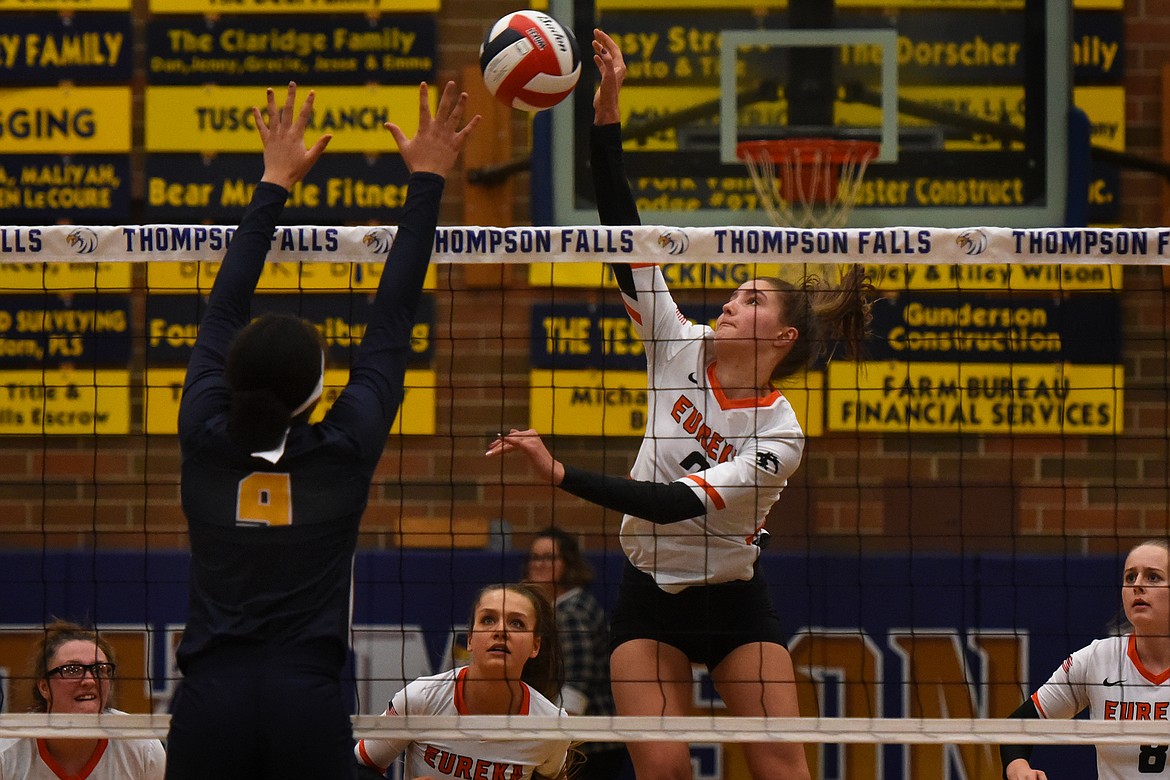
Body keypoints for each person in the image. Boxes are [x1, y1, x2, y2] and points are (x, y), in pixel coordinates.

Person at [486, 29, 874, 780]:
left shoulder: (781, 432)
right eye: (734, 292)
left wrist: (560, 473)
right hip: (647, 597)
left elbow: (671, 504)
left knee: (783, 770)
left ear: (783, 335)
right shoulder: (677, 342)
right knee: (663, 768)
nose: (731, 300)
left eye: (751, 298)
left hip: (732, 603)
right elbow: (623, 230)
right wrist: (606, 112)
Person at [164, 81, 479, 780]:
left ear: (234, 377)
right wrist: (427, 179)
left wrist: (273, 181)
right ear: (315, 394)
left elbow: (222, 308)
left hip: (210, 699)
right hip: (305, 701)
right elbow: (392, 320)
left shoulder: (202, 435)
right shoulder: (341, 452)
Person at [355, 583, 572, 780]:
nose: (501, 631)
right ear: (469, 639)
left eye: (517, 623)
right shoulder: (421, 697)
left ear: (535, 646)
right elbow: (357, 768)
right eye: (488, 619)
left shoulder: (550, 726)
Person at [999, 539, 1170, 780]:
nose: (1138, 585)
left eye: (1153, 577)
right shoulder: (1096, 660)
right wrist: (1019, 769)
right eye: (1130, 577)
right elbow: (1017, 726)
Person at [524, 527, 631, 780]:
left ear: (568, 564)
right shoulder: (554, 608)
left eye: (548, 558)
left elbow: (575, 686)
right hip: (585, 741)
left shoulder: (572, 612)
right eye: (534, 557)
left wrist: (559, 742)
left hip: (588, 746)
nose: (539, 564)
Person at [0, 619, 166, 779]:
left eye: (100, 669)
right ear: (44, 687)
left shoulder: (143, 748)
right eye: (72, 669)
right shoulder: (5, 753)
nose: (89, 680)